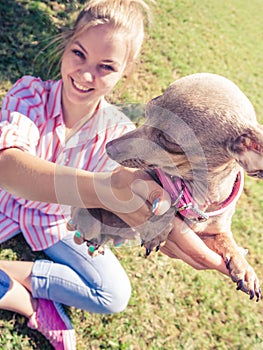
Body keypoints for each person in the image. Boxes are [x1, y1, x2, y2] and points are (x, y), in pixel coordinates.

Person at [0, 0, 230, 349]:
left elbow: (134, 192)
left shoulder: (118, 133)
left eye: (106, 66)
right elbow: (9, 167)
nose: (86, 75)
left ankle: (27, 280)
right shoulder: (29, 95)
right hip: (4, 202)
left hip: (58, 223)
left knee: (113, 293)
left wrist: (158, 216)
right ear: (65, 43)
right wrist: (104, 188)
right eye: (79, 54)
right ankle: (20, 298)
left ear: (127, 70)